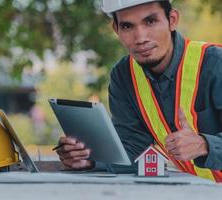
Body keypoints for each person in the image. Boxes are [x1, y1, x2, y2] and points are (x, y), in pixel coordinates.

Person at [55, 0, 222, 182]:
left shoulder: (216, 64)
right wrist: (89, 159)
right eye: (127, 26)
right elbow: (134, 152)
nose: (140, 37)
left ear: (172, 20)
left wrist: (204, 145)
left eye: (150, 21)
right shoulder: (124, 76)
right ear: (116, 29)